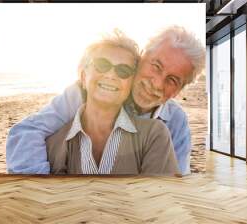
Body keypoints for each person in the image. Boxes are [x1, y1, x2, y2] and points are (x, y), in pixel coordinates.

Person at [6, 26, 205, 175]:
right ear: (142, 58)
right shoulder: (85, 94)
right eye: (156, 66)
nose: (157, 84)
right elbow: (28, 131)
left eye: (172, 80)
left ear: (179, 90)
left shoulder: (176, 122)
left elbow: (174, 184)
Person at [46, 30, 179, 175]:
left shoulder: (154, 135)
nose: (111, 75)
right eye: (102, 65)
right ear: (83, 76)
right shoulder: (53, 143)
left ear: (130, 84)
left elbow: (160, 193)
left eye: (123, 70)